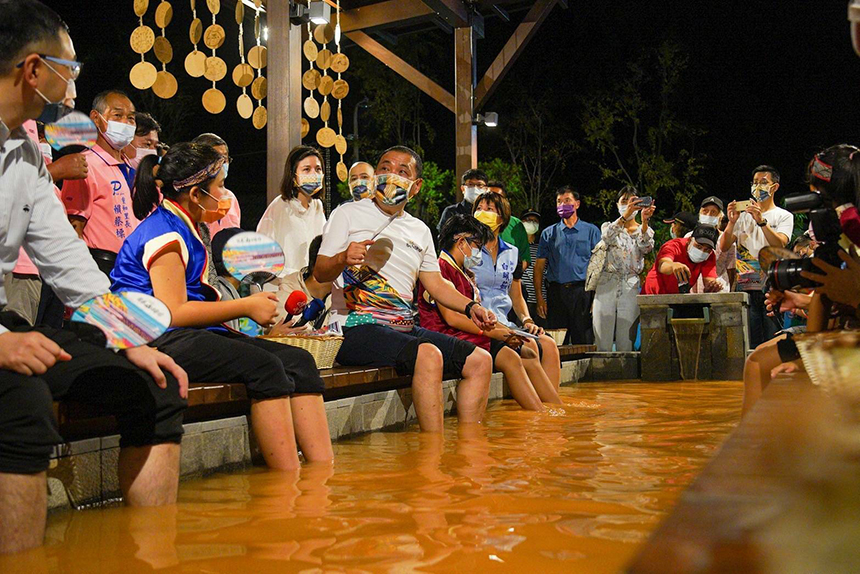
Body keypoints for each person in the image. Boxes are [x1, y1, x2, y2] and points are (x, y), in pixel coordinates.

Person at [0, 1, 189, 552]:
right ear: (34, 69)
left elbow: (69, 262)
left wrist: (129, 338)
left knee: (157, 388)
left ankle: (151, 559)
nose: (75, 83)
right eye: (70, 68)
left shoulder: (26, 152)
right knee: (21, 400)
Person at [115, 141, 333, 469]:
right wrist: (245, 306)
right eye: (218, 186)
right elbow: (172, 312)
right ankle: (288, 483)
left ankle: (323, 475)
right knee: (267, 367)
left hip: (190, 331)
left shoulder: (188, 226)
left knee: (300, 361)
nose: (225, 194)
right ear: (195, 194)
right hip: (156, 338)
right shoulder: (164, 234)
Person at [315, 146, 496, 433]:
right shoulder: (347, 213)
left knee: (480, 361)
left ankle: (469, 447)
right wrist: (342, 258)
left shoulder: (420, 230)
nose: (392, 176)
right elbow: (320, 271)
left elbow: (435, 284)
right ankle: (432, 454)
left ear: (416, 187)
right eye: (385, 168)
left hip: (402, 328)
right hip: (353, 327)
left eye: (402, 172)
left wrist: (471, 307)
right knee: (429, 354)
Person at [742, 146, 860, 416]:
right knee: (758, 361)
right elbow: (827, 292)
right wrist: (801, 303)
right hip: (841, 332)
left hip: (850, 341)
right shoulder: (838, 239)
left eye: (819, 195)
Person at [418, 214, 561, 410]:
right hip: (449, 335)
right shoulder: (441, 268)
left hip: (468, 333)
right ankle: (543, 412)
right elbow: (452, 319)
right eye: (477, 245)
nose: (479, 251)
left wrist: (506, 331)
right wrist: (500, 333)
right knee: (516, 355)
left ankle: (551, 408)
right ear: (461, 242)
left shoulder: (462, 271)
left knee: (526, 350)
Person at [470, 193, 562, 392]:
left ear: (502, 218)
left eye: (489, 209)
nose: (482, 213)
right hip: (481, 322)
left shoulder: (511, 251)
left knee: (549, 345)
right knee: (530, 348)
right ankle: (543, 410)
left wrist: (527, 320)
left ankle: (552, 411)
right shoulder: (467, 249)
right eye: (479, 208)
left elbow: (515, 292)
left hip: (506, 321)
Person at [60, 89, 140, 276]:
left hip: (132, 269)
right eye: (117, 115)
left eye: (131, 118)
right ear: (96, 118)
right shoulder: (85, 165)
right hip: (100, 267)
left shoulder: (131, 169)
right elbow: (74, 227)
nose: (126, 123)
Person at [722, 165, 794, 347]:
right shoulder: (742, 217)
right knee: (748, 342)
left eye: (763, 182)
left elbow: (780, 243)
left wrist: (761, 221)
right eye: (755, 183)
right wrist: (731, 223)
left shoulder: (783, 216)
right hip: (744, 286)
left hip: (772, 287)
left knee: (773, 340)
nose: (757, 187)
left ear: (775, 187)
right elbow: (723, 246)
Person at [534, 186, 601, 345]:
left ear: (577, 204)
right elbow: (539, 267)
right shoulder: (549, 233)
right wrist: (539, 298)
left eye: (567, 200)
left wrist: (595, 297)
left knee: (583, 340)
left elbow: (599, 265)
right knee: (557, 342)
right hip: (556, 293)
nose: (563, 204)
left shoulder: (591, 231)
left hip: (582, 292)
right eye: (559, 202)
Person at [592, 186, 655, 352]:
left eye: (633, 201)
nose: (628, 205)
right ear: (617, 204)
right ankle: (601, 373)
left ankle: (625, 374)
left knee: (626, 338)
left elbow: (646, 247)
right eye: (624, 201)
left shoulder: (646, 230)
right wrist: (624, 216)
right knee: (602, 337)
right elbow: (607, 237)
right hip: (606, 283)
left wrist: (645, 222)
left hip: (630, 284)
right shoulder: (608, 226)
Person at [257, 145, 327, 275]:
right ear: (293, 175)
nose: (314, 174)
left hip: (311, 286)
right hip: (282, 286)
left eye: (318, 169)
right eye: (306, 169)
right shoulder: (279, 206)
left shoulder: (317, 206)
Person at [643, 225, 722, 294]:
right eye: (699, 246)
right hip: (653, 295)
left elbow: (709, 279)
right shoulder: (673, 246)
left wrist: (712, 286)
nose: (702, 251)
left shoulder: (710, 255)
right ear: (690, 240)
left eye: (707, 249)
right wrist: (673, 266)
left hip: (679, 298)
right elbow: (662, 265)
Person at [192, 133, 241, 234]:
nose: (222, 164)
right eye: (217, 159)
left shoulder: (231, 198)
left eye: (225, 159)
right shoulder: (191, 199)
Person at [690, 196, 736, 293]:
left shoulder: (727, 240)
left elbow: (731, 270)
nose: (708, 215)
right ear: (699, 214)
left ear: (720, 216)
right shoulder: (689, 237)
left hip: (719, 290)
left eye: (713, 212)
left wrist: (732, 294)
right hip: (694, 292)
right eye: (705, 211)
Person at [486, 180, 530, 270]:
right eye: (488, 197)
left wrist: (512, 277)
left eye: (497, 198)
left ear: (505, 201)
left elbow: (525, 258)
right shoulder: (475, 223)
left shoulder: (516, 225)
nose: (492, 201)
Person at [436, 168, 488, 233]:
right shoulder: (451, 212)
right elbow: (443, 237)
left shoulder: (489, 213)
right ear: (463, 189)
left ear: (486, 189)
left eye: (479, 185)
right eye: (470, 184)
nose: (475, 189)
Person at [520, 210, 547, 328]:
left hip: (539, 300)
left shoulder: (541, 248)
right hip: (521, 299)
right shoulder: (515, 247)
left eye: (535, 221)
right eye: (528, 220)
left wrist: (541, 298)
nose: (531, 223)